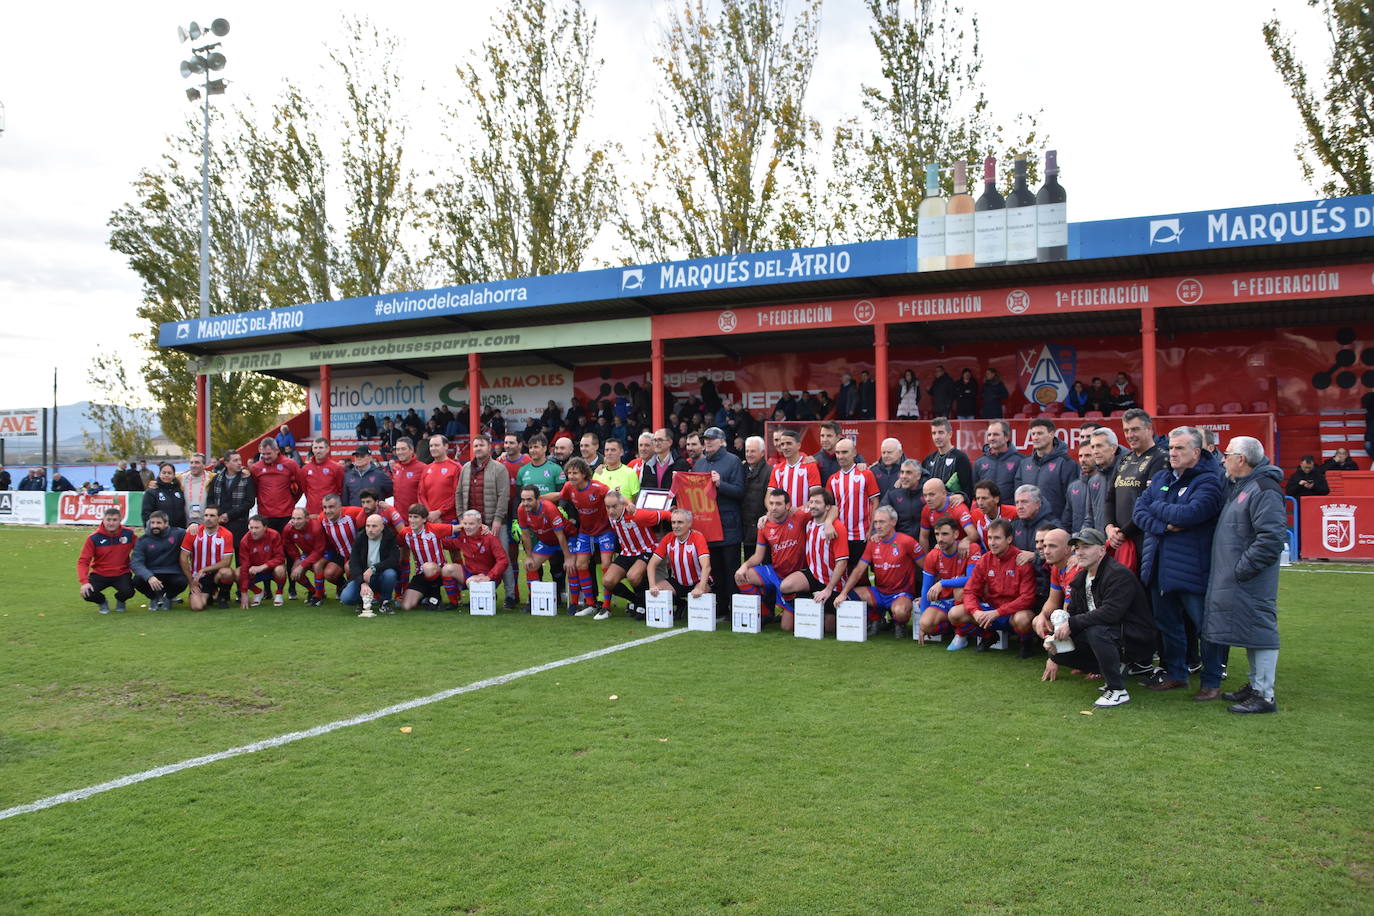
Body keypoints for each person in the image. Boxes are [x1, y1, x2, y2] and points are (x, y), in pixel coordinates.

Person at [1133, 427, 1225, 693]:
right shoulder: (1163, 476)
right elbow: (1139, 512)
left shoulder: (1209, 481)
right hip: (1159, 567)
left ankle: (1211, 681)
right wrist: (1164, 524)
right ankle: (1176, 674)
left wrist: (1156, 507)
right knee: (1167, 625)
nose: (1172, 453)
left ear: (1196, 452)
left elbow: (1191, 514)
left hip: (1192, 569)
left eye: (1179, 448)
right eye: (1171, 447)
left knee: (1206, 628)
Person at [1205, 437, 1286, 713]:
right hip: (1241, 577)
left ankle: (1264, 695)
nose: (1223, 459)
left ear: (1241, 459)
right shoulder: (1245, 486)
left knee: (1260, 631)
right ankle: (1255, 687)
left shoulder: (1263, 488)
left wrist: (1242, 568)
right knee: (1251, 631)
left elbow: (1272, 538)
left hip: (1250, 578)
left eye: (1226, 454)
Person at [1042, 528, 1156, 709]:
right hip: (1111, 634)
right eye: (1077, 547)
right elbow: (1074, 612)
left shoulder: (1118, 574)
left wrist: (1071, 624)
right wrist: (1055, 637)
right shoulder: (1081, 578)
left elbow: (1110, 613)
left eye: (1086, 547)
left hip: (1136, 638)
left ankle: (1117, 690)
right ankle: (1114, 668)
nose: (1080, 552)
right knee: (1057, 651)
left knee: (1097, 630)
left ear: (1102, 550)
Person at [949, 518, 1036, 652]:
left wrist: (998, 612)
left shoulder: (1021, 559)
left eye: (997, 538)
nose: (992, 543)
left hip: (1012, 612)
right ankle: (989, 636)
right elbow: (970, 591)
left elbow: (1027, 598)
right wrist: (975, 612)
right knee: (954, 614)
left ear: (1009, 539)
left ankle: (1025, 643)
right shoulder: (985, 560)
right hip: (991, 610)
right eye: (989, 538)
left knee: (1023, 619)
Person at [837, 505, 922, 638]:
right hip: (880, 592)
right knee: (850, 594)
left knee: (900, 611)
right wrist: (843, 593)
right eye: (875, 522)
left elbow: (927, 566)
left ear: (893, 522)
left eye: (882, 522)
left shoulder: (907, 541)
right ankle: (875, 619)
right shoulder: (873, 543)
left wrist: (926, 592)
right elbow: (859, 569)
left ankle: (899, 624)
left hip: (901, 594)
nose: (878, 526)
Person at [546, 457, 614, 614]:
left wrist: (628, 504)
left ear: (584, 474)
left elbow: (614, 496)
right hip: (585, 531)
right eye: (569, 473)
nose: (571, 476)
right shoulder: (569, 487)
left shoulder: (598, 487)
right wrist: (538, 499)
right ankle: (590, 604)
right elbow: (558, 496)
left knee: (605, 565)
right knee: (580, 565)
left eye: (575, 473)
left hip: (604, 530)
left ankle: (606, 606)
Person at [1103, 408, 1167, 564]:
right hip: (1119, 541)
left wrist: (1123, 533)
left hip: (1144, 540)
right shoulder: (1124, 460)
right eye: (1126, 430)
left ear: (1149, 429)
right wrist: (1109, 528)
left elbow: (1151, 502)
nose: (1130, 435)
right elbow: (1110, 498)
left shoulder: (1160, 458)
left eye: (1135, 429)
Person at [780, 487, 847, 633]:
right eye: (811, 502)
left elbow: (842, 562)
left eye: (817, 502)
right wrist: (764, 517)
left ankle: (822, 607)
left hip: (832, 582)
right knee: (786, 586)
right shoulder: (809, 522)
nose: (813, 505)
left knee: (829, 629)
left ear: (827, 507)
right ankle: (807, 606)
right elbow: (780, 513)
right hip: (813, 575)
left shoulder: (837, 528)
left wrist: (829, 589)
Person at [458, 434, 515, 607]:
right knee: (475, 561)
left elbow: (503, 496)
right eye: (475, 446)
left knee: (503, 558)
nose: (478, 449)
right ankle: (484, 592)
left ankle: (511, 596)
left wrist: (498, 519)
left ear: (489, 447)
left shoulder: (499, 468)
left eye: (481, 445)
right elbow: (458, 494)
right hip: (472, 524)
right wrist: (462, 518)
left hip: (493, 522)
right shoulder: (466, 468)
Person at [694, 426, 745, 614]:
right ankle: (722, 608)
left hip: (727, 525)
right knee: (715, 570)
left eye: (712, 439)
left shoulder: (733, 461)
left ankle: (735, 609)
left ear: (722, 441)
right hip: (707, 526)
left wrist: (720, 484)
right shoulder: (699, 464)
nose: (707, 441)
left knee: (731, 569)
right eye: (705, 439)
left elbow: (740, 491)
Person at [738, 487, 810, 615]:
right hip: (775, 572)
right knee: (741, 577)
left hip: (795, 576)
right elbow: (758, 556)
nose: (773, 507)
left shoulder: (799, 516)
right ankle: (765, 614)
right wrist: (745, 566)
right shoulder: (764, 525)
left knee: (787, 627)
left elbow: (830, 508)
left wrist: (828, 523)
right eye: (771, 503)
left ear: (787, 505)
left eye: (778, 504)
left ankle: (788, 605)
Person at [604, 490, 671, 620]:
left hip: (647, 550)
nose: (611, 510)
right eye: (608, 507)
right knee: (608, 581)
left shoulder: (636, 515)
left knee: (633, 576)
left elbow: (663, 514)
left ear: (622, 504)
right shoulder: (611, 518)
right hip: (627, 553)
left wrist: (675, 516)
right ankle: (637, 600)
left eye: (614, 506)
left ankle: (643, 604)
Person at [916, 516, 982, 643]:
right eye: (937, 534)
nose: (940, 539)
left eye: (945, 534)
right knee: (925, 623)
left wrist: (942, 583)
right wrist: (922, 622)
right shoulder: (933, 555)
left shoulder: (971, 548)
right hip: (945, 601)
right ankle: (954, 628)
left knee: (960, 590)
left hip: (969, 599)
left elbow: (971, 579)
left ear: (956, 534)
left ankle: (964, 633)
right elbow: (926, 588)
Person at [439, 510, 509, 609]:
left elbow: (503, 560)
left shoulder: (490, 538)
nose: (467, 527)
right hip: (469, 572)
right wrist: (434, 537)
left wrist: (489, 576)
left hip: (487, 575)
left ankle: (488, 594)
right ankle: (454, 603)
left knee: (471, 581)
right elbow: (451, 543)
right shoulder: (463, 535)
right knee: (447, 569)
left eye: (471, 524)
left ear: (480, 523)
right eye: (465, 523)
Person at [647, 508, 712, 613]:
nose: (676, 526)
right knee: (657, 591)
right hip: (679, 582)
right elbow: (651, 564)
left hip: (699, 580)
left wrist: (701, 587)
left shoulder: (697, 537)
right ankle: (681, 604)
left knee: (700, 593)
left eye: (680, 522)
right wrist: (652, 585)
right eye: (673, 522)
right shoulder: (668, 538)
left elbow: (706, 566)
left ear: (689, 524)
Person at [827, 438, 879, 565]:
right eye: (838, 453)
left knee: (863, 576)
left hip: (862, 535)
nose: (840, 456)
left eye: (844, 452)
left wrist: (872, 530)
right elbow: (828, 507)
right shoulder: (832, 479)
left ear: (854, 453)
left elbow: (875, 503)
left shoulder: (866, 474)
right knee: (844, 573)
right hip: (841, 535)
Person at [77, 506, 137, 613]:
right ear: (103, 520)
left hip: (121, 573)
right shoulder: (93, 538)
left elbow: (140, 551)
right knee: (87, 593)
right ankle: (102, 602)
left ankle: (120, 599)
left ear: (120, 520)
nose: (111, 523)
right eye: (108, 520)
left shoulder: (128, 534)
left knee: (128, 591)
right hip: (100, 574)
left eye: (114, 520)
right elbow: (83, 561)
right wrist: (84, 582)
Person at [1015, 418, 1076, 521]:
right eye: (1033, 434)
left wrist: (1062, 525)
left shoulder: (1066, 463)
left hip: (1054, 527)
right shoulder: (1024, 464)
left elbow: (1071, 501)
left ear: (1051, 434)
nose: (1035, 437)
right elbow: (1017, 496)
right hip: (1028, 525)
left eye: (1039, 433)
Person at [398, 504, 457, 611]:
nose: (412, 520)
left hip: (440, 572)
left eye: (416, 517)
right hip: (421, 573)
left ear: (424, 519)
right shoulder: (405, 533)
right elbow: (400, 547)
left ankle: (436, 596)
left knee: (428, 567)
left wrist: (482, 527)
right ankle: (426, 596)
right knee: (406, 606)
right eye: (410, 516)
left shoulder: (434, 529)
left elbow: (459, 528)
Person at [341, 513, 400, 617]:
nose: (370, 529)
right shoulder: (360, 538)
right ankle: (362, 601)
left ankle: (385, 602)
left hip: (381, 575)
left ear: (382, 527)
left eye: (374, 526)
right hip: (364, 576)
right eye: (368, 526)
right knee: (346, 598)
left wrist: (373, 568)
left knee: (390, 574)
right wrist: (362, 583)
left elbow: (393, 560)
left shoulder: (390, 537)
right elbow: (354, 563)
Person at [180, 505, 236, 611]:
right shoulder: (194, 532)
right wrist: (191, 582)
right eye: (206, 515)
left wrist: (204, 569)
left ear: (219, 518)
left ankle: (223, 597)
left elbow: (227, 562)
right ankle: (209, 595)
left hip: (216, 573)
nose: (208, 518)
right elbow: (183, 558)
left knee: (227, 572)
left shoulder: (227, 534)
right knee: (197, 607)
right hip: (199, 577)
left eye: (212, 515)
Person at [315, 494, 369, 605]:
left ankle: (358, 594)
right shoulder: (322, 519)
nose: (327, 511)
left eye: (331, 507)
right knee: (329, 573)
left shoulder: (352, 512)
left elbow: (369, 510)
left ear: (340, 507)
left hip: (357, 554)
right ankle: (343, 586)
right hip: (340, 554)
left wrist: (386, 508)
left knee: (349, 568)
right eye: (325, 507)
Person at [131, 510, 188, 611]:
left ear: (166, 523)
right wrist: (149, 577)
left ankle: (168, 597)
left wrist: (193, 526)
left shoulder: (178, 534)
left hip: (172, 572)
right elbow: (135, 563)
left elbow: (192, 535)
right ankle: (154, 598)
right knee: (137, 580)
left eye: (158, 523)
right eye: (152, 523)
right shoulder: (143, 540)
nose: (155, 526)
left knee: (182, 581)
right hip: (152, 574)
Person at [250, 438, 302, 532]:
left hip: (286, 514)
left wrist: (292, 501)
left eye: (268, 454)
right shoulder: (255, 468)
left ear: (277, 450)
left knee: (286, 544)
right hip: (265, 515)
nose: (265, 457)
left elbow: (301, 486)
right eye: (263, 454)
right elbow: (255, 489)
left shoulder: (290, 464)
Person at [209, 450, 257, 548]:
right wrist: (217, 515)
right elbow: (210, 499)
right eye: (235, 460)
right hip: (219, 523)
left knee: (240, 556)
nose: (239, 463)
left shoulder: (246, 478)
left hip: (239, 523)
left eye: (240, 460)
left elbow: (250, 502)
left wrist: (229, 515)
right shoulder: (217, 478)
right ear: (226, 463)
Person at [237, 515, 287, 608]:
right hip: (254, 572)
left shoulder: (274, 535)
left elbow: (280, 558)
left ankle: (279, 593)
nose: (253, 531)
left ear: (265, 527)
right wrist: (243, 592)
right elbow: (244, 565)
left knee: (280, 569)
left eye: (257, 528)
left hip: (271, 569)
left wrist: (262, 567)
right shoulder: (245, 541)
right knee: (237, 573)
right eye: (251, 528)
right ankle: (258, 592)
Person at [918, 477, 980, 551]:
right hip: (943, 547)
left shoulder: (957, 507)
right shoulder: (926, 509)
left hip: (961, 550)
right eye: (925, 495)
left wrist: (963, 542)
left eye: (932, 494)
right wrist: (926, 560)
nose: (927, 499)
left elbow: (973, 535)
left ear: (944, 493)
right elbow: (923, 537)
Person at [972, 420, 1023, 506]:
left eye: (996, 434)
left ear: (1006, 437)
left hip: (1011, 514)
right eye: (989, 435)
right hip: (987, 515)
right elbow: (974, 492)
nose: (991, 438)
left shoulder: (1020, 461)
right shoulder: (979, 463)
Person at [281, 507, 326, 603]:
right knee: (294, 574)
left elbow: (319, 551)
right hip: (309, 553)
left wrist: (302, 565)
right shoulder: (288, 529)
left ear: (307, 518)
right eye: (293, 518)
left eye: (299, 518)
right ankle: (312, 591)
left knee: (317, 565)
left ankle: (319, 596)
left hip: (325, 552)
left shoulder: (316, 528)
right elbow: (288, 545)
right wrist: (297, 559)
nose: (295, 522)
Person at [1086, 428, 1125, 534]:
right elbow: (1089, 516)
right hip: (1100, 544)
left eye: (1099, 446)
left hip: (1122, 539)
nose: (1095, 451)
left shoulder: (1128, 474)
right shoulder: (1093, 480)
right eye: (1092, 447)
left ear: (1113, 448)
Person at [770, 428, 821, 508]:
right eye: (782, 444)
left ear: (799, 445)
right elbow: (769, 496)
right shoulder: (776, 469)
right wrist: (772, 512)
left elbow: (816, 497)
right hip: (783, 519)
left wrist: (797, 512)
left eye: (789, 443)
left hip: (805, 518)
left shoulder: (810, 466)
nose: (785, 447)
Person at [921, 418, 974, 495]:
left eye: (941, 432)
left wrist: (962, 496)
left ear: (950, 434)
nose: (937, 437)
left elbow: (968, 488)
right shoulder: (928, 460)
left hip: (951, 504)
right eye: (934, 433)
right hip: (931, 504)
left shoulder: (961, 458)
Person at [419, 434, 462, 523]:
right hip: (430, 519)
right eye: (431, 446)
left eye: (436, 445)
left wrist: (439, 512)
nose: (433, 448)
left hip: (449, 520)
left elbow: (457, 494)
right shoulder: (426, 469)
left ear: (446, 446)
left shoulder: (456, 467)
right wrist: (429, 513)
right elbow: (421, 494)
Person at [882, 459, 928, 539]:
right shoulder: (892, 494)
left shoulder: (928, 490)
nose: (903, 476)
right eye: (902, 472)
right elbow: (881, 514)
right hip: (900, 545)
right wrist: (876, 533)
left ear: (918, 475)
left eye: (908, 472)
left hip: (925, 543)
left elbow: (944, 496)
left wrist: (956, 496)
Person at [300, 437, 345, 517]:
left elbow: (340, 489)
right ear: (312, 449)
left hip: (331, 512)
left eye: (321, 447)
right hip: (312, 512)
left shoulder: (336, 468)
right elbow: (305, 489)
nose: (318, 450)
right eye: (315, 448)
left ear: (327, 449)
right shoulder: (305, 469)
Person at [1011, 484, 1062, 552]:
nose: (1020, 507)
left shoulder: (1052, 525)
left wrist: (1034, 556)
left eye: (1024, 502)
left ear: (1037, 504)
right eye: (1017, 502)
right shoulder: (1014, 525)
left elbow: (1059, 552)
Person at [641, 428, 689, 492]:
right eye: (654, 440)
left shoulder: (681, 464)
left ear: (670, 442)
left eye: (660, 440)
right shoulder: (648, 465)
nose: (656, 443)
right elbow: (644, 489)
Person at [142, 462, 188, 530]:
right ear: (159, 474)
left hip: (179, 532)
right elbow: (146, 514)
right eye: (164, 473)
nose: (166, 475)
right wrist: (151, 530)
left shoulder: (179, 491)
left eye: (169, 473)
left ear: (173, 475)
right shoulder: (151, 492)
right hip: (160, 532)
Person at [741, 435, 770, 538]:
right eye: (747, 451)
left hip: (762, 526)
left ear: (762, 453)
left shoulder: (769, 472)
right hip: (745, 528)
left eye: (753, 451)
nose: (749, 454)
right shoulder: (741, 469)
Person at [1061, 449, 1095, 535]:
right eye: (1080, 456)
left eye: (1087, 455)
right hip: (1077, 542)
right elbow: (1067, 520)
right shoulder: (1073, 487)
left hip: (1099, 540)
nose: (1083, 460)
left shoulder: (1105, 482)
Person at [178, 453, 214, 526]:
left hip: (207, 523)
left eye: (197, 463)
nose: (193, 465)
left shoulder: (212, 478)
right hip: (186, 523)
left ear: (204, 465)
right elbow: (165, 480)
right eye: (191, 462)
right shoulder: (181, 478)